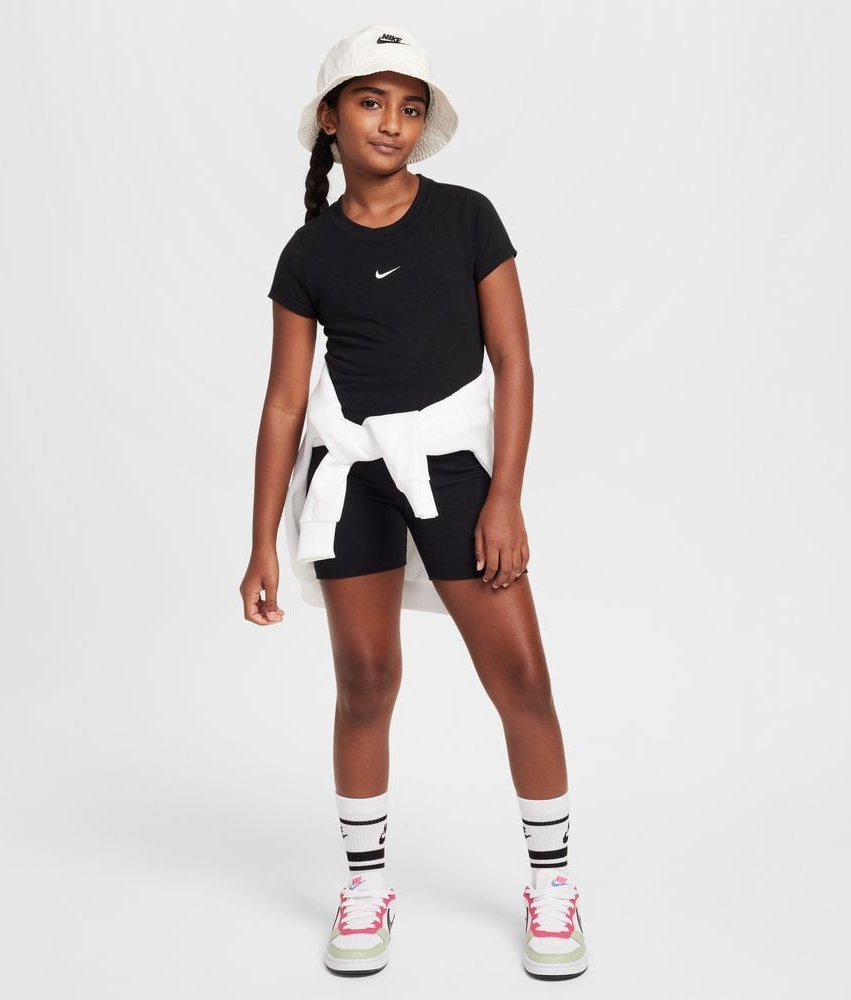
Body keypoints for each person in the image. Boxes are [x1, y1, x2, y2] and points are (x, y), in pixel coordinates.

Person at [240, 24, 588, 981]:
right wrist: (263, 540)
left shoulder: (468, 218)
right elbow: (283, 404)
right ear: (330, 118)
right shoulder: (308, 252)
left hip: (454, 473)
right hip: (350, 478)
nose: (391, 122)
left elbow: (514, 361)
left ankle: (553, 884)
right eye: (370, 102)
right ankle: (365, 886)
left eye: (409, 106)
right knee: (365, 682)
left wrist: (505, 494)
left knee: (522, 679)